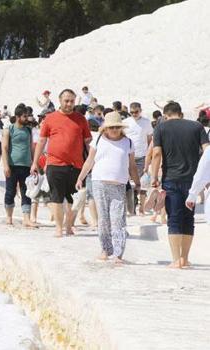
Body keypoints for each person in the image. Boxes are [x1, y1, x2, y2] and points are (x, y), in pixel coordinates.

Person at [76, 112, 140, 264]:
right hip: (99, 183)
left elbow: (132, 166)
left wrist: (137, 182)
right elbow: (89, 161)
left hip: (119, 185)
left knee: (118, 220)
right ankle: (105, 249)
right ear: (105, 128)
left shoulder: (128, 142)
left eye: (117, 127)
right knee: (103, 219)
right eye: (111, 127)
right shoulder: (97, 140)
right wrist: (80, 177)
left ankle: (118, 254)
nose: (114, 130)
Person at [151, 102, 209, 269]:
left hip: (171, 178)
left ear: (165, 115)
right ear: (181, 113)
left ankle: (176, 260)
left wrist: (154, 177)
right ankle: (185, 258)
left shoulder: (161, 128)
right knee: (188, 219)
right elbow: (207, 151)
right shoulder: (197, 126)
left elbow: (156, 154)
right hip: (193, 180)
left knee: (174, 219)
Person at [31, 89, 92, 237]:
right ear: (60, 101)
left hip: (76, 165)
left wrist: (91, 161)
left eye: (71, 100)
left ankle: (69, 226)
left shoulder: (81, 119)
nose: (69, 104)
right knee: (56, 197)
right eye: (66, 101)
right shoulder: (50, 118)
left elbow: (88, 142)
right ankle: (59, 227)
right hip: (55, 164)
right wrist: (34, 163)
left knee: (74, 198)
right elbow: (41, 141)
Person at [2, 104, 36, 228]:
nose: (27, 118)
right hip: (12, 165)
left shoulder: (28, 130)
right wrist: (5, 165)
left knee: (26, 192)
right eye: (24, 116)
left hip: (26, 165)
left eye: (27, 116)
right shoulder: (9, 129)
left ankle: (26, 218)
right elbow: (4, 148)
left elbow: (31, 147)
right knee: (10, 191)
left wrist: (34, 163)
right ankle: (9, 217)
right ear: (17, 117)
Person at [122, 102, 153, 215]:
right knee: (127, 182)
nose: (134, 114)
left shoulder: (146, 122)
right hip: (128, 156)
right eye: (132, 112)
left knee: (143, 183)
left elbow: (150, 139)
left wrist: (150, 156)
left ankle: (141, 207)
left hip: (142, 156)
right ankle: (130, 207)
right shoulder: (125, 122)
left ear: (141, 110)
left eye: (136, 112)